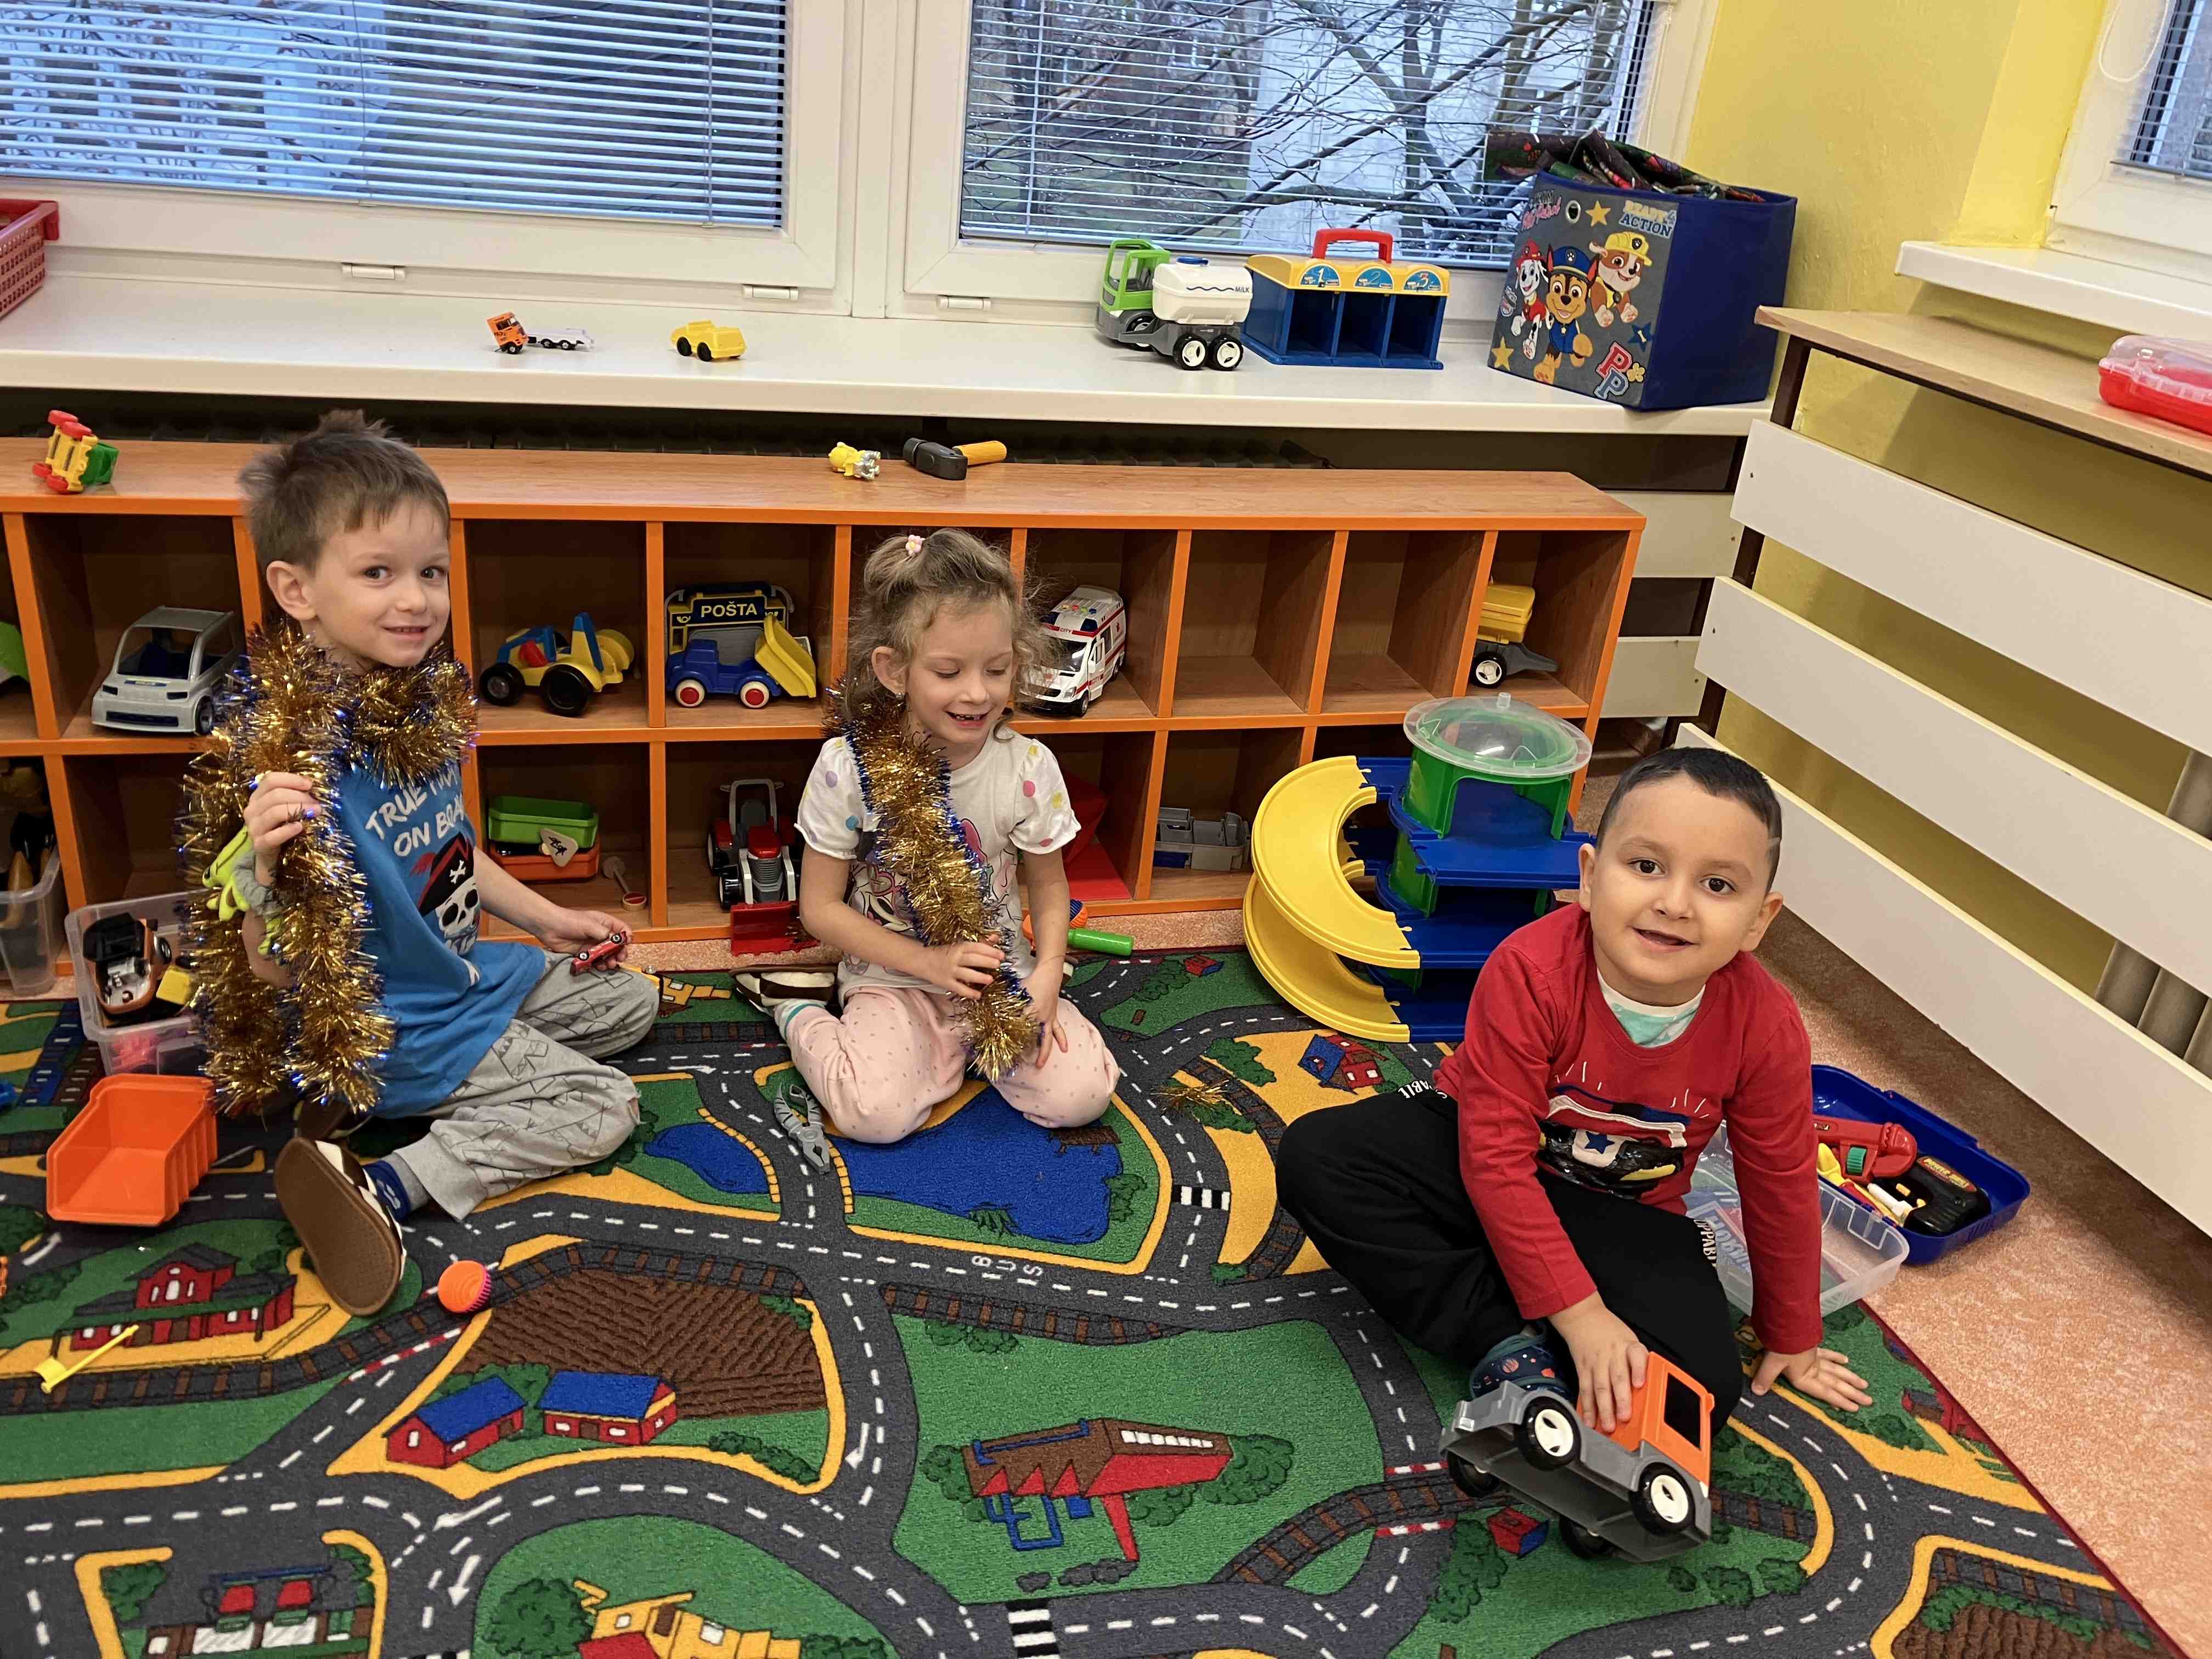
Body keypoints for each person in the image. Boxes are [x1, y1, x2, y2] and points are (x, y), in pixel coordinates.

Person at [1277, 747, 1874, 1438]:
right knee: (1319, 1155)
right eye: (1645, 866)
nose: (1674, 904)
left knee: (1705, 1390)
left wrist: (1792, 1330)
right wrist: (1581, 1314)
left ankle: (1523, 1288)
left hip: (1621, 1212)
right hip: (1474, 1153)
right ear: (1589, 877)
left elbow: (1781, 1178)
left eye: (1717, 885)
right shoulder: (1529, 969)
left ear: (1758, 921)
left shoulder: (1767, 1024)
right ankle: (1506, 1340)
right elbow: (1494, 1157)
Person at [225, 411, 656, 1311]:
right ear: (296, 589)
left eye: (431, 572)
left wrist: (549, 918)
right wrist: (266, 870)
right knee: (605, 1104)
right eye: (377, 573)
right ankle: (388, 1180)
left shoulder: (410, 706)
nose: (417, 599)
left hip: (460, 977)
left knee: (631, 1000)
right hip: (400, 1025)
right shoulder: (294, 765)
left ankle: (414, 1098)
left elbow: (450, 850)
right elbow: (269, 969)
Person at [737, 528, 1120, 1144]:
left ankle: (955, 1054)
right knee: (873, 1116)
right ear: (894, 670)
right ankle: (796, 1009)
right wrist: (929, 964)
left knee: (1083, 1095)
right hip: (893, 978)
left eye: (998, 669)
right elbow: (819, 909)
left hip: (1001, 976)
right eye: (948, 671)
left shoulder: (1028, 767)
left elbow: (1050, 886)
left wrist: (1049, 972)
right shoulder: (847, 767)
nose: (977, 692)